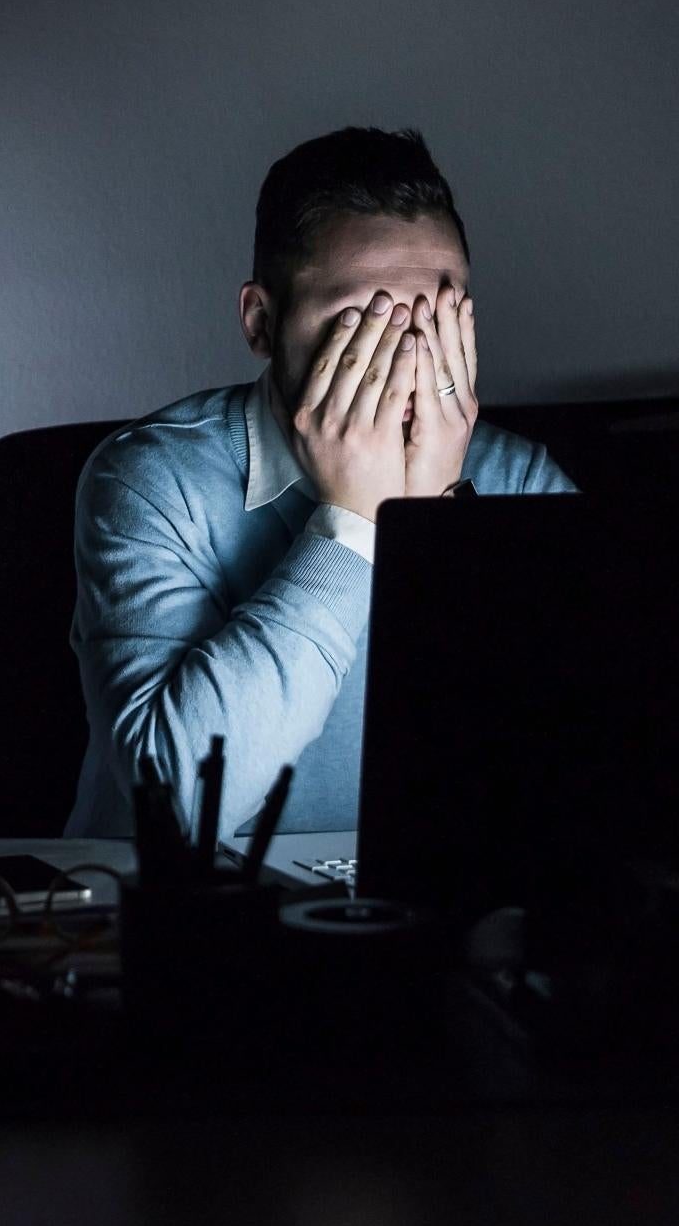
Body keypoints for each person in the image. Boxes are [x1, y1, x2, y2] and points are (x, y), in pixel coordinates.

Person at [64, 126, 575, 839]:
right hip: (182, 901)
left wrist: (438, 522)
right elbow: (178, 803)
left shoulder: (520, 481)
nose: (406, 360)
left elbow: (566, 762)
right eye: (361, 322)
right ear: (261, 322)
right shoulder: (150, 479)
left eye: (436, 319)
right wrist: (356, 521)